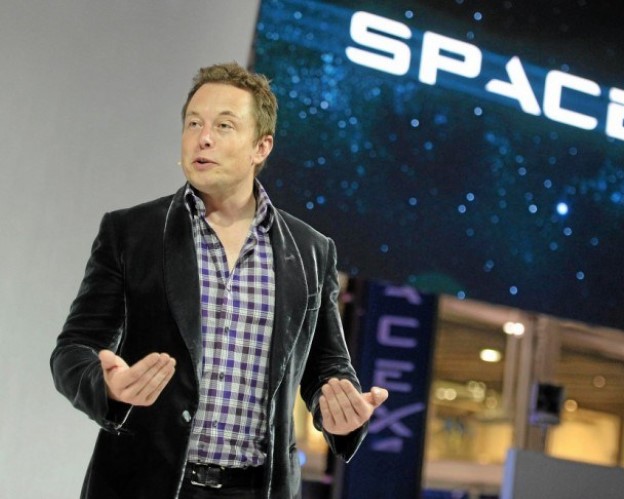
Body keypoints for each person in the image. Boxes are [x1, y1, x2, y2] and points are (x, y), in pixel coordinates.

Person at [50, 62, 388, 499]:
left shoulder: (311, 251)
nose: (203, 137)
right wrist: (105, 384)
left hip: (256, 489)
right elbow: (73, 349)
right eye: (194, 123)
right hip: (144, 484)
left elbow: (327, 367)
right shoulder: (131, 233)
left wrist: (340, 412)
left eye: (224, 125)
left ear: (261, 147)